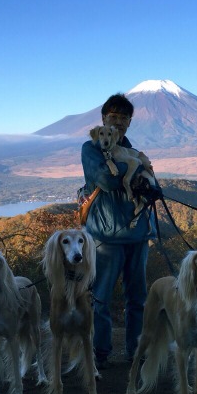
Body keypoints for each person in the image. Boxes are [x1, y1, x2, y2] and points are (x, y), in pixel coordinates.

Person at [80, 93, 158, 369]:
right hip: (106, 237)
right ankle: (99, 355)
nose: (119, 122)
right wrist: (133, 165)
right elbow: (106, 180)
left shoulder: (131, 148)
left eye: (124, 118)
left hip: (136, 235)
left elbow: (146, 181)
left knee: (137, 298)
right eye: (114, 117)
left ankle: (136, 354)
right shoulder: (91, 148)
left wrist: (151, 186)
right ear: (103, 119)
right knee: (100, 298)